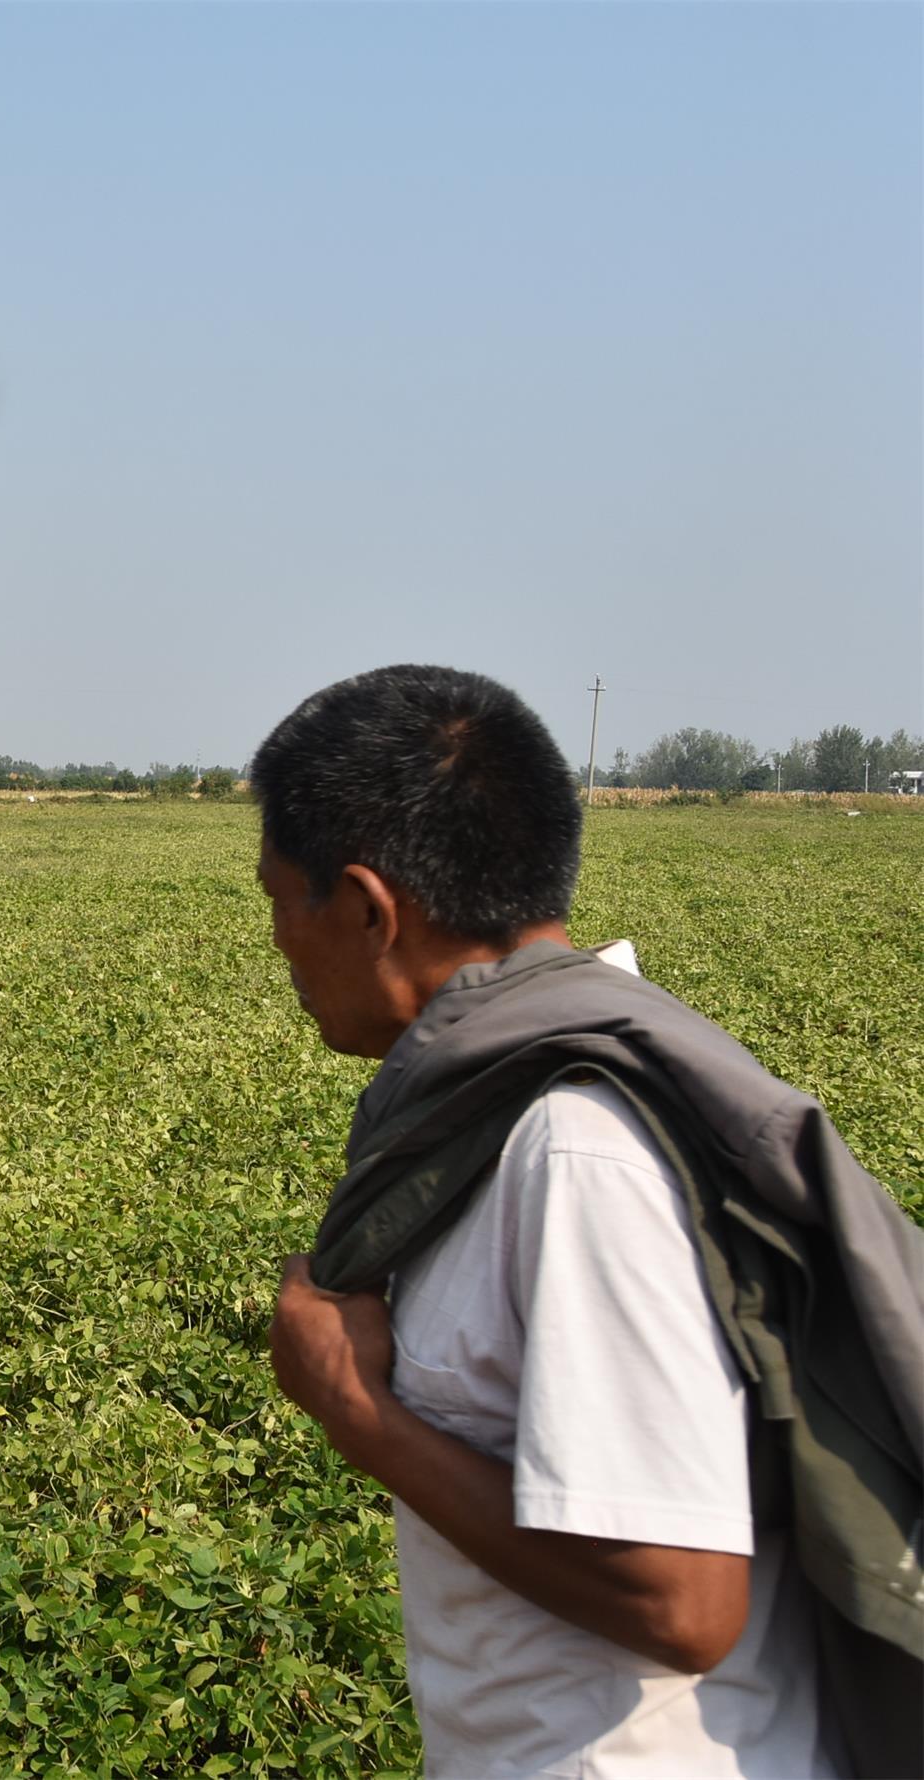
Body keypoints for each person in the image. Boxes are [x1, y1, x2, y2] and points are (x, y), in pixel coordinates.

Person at [251, 664, 922, 1778]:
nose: (276, 943)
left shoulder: (572, 1151)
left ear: (370, 908)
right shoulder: (511, 1103)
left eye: (276, 898)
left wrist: (357, 1410)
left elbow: (679, 1595)